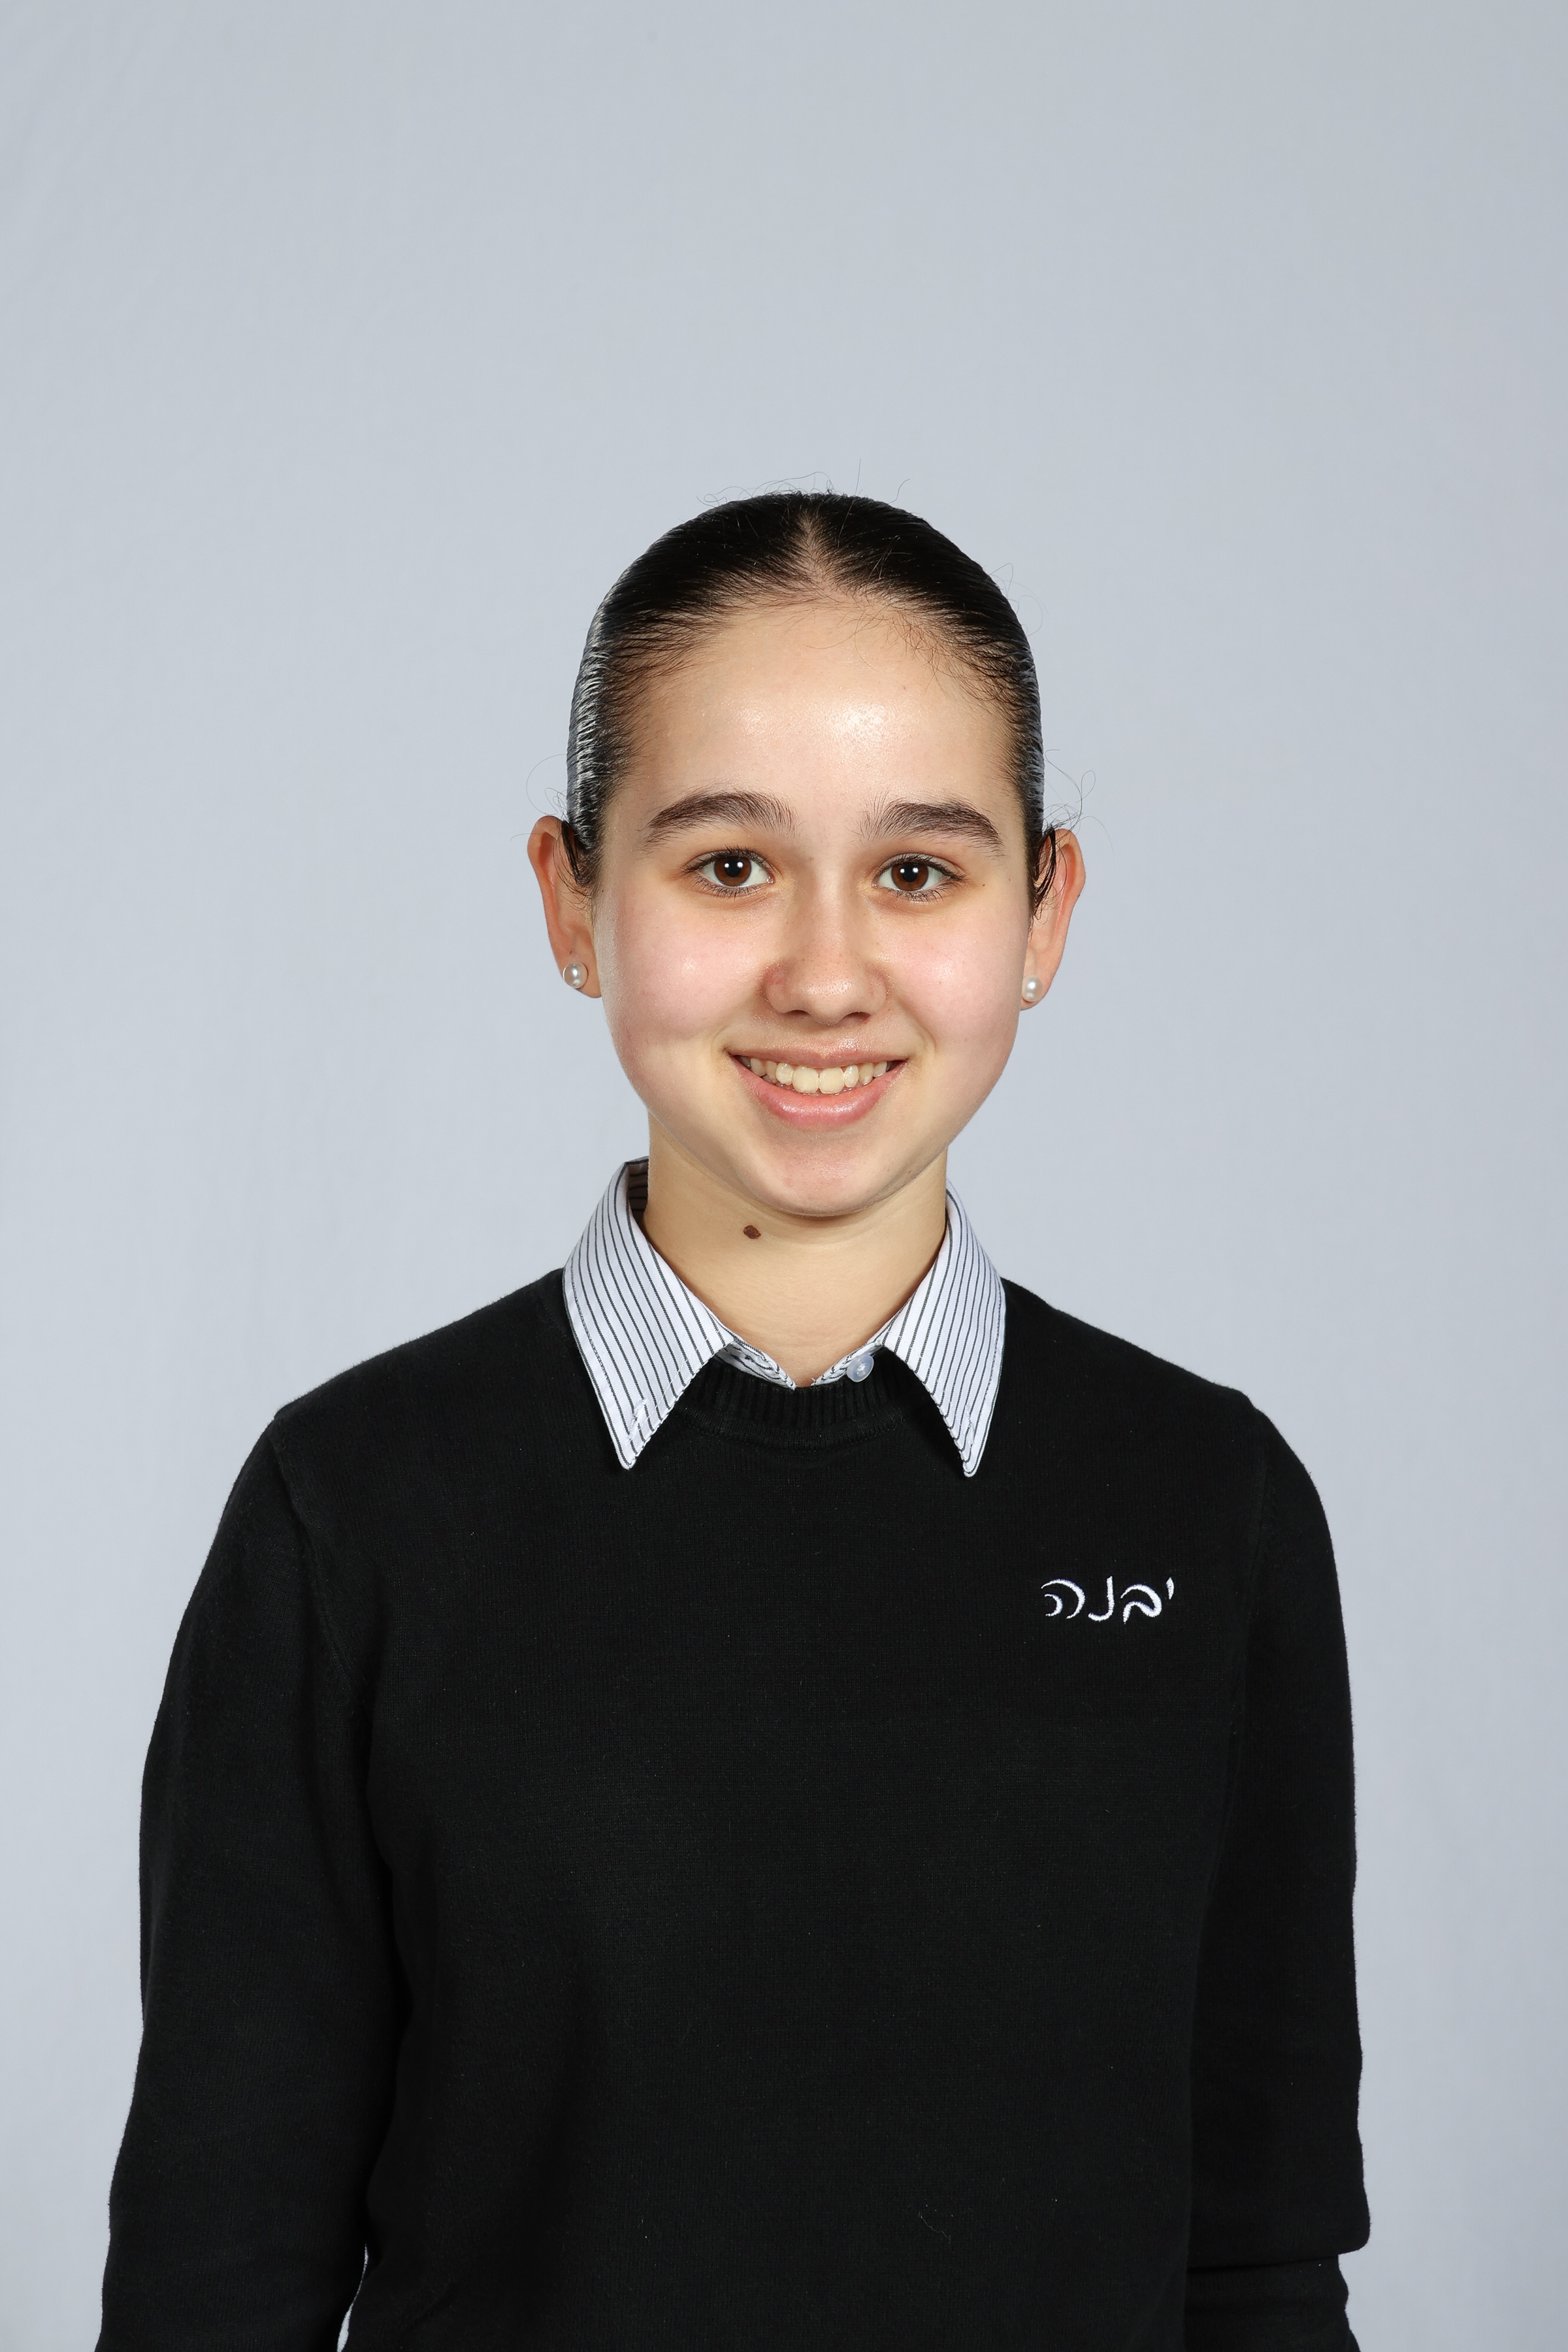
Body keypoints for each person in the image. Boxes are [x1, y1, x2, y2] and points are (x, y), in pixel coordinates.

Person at [97, 493, 1368, 2350]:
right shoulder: (353, 1511)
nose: (826, 975)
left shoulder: (1207, 1506)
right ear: (573, 900)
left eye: (917, 871)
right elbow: (217, 2278)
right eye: (729, 865)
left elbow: (1257, 2266)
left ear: (1045, 911)